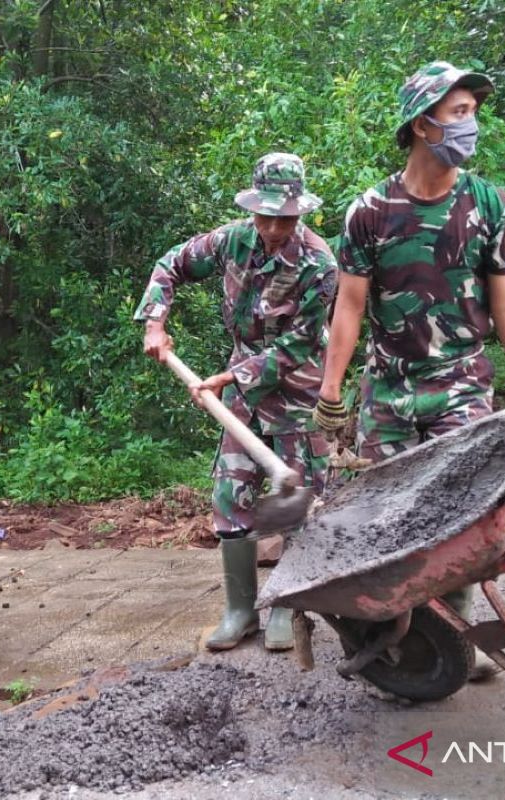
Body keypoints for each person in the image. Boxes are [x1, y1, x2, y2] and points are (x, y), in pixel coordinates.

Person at [314, 61, 505, 678]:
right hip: (387, 388)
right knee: (382, 519)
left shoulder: (489, 203)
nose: (472, 126)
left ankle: (453, 641)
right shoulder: (370, 211)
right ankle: (390, 632)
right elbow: (350, 305)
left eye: (473, 113)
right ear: (423, 124)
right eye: (460, 114)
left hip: (462, 383)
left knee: (460, 515)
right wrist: (331, 389)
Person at [136, 152, 337, 653]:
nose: (272, 227)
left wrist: (230, 375)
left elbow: (301, 344)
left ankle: (288, 607)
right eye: (265, 215)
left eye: (284, 218)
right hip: (243, 393)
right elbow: (171, 264)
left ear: (300, 213)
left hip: (296, 389)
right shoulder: (231, 240)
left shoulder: (320, 263)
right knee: (232, 495)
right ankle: (241, 611)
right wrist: (155, 322)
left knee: (295, 500)